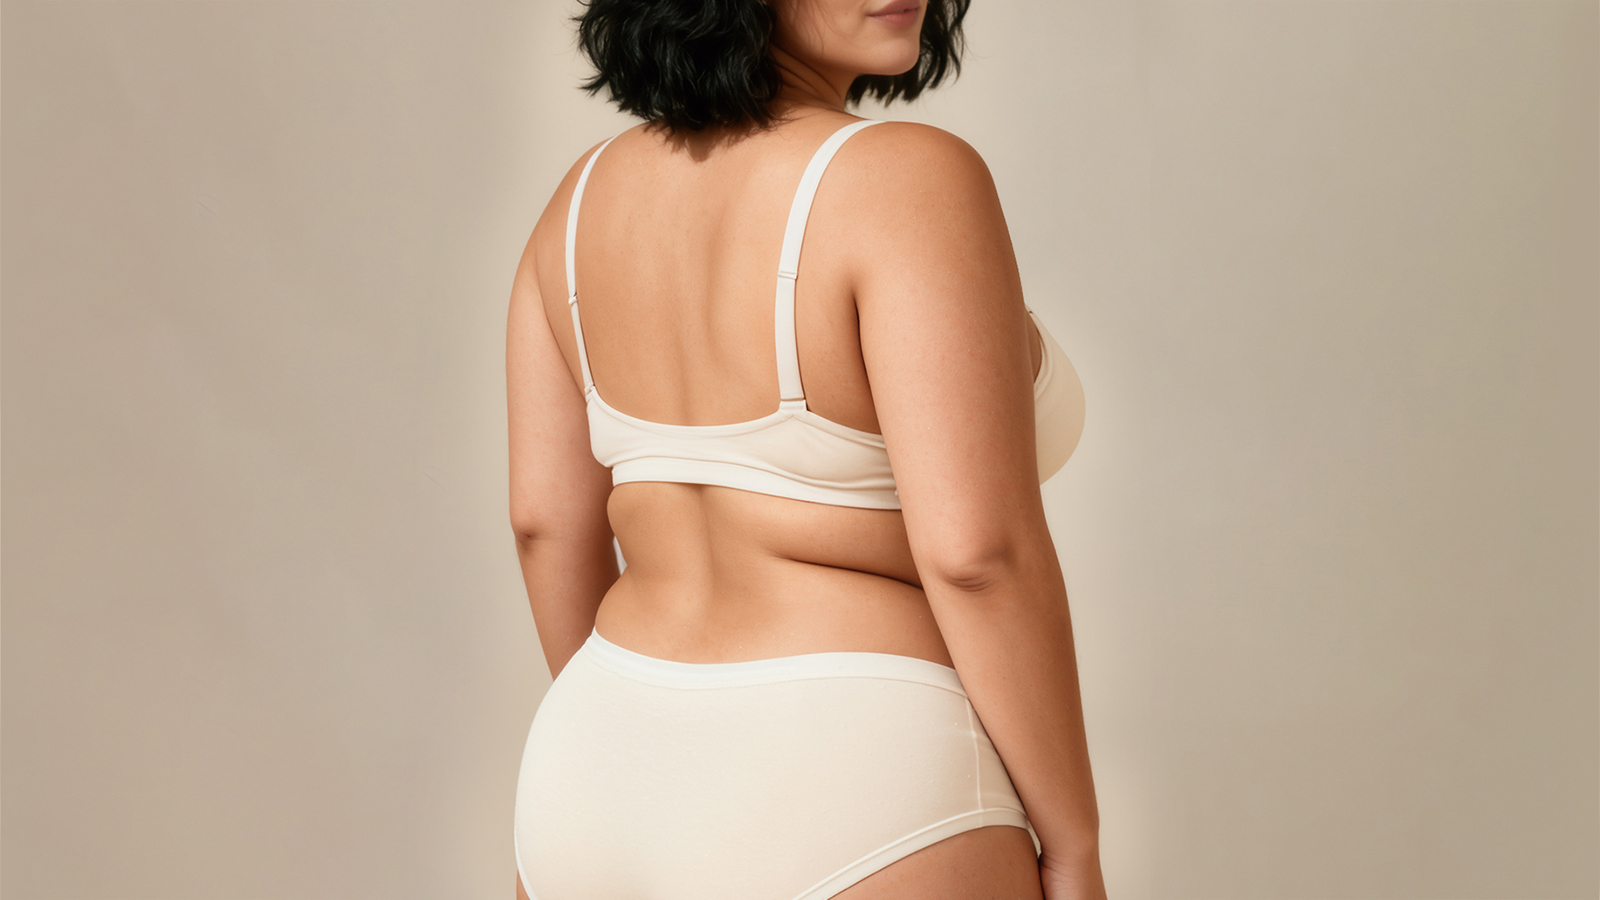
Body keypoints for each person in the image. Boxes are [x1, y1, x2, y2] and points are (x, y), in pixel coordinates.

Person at [505, 0, 1100, 896]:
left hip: (595, 761)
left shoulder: (577, 201)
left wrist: (638, 741)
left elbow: (544, 524)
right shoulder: (908, 178)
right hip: (858, 768)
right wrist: (1074, 842)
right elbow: (977, 556)